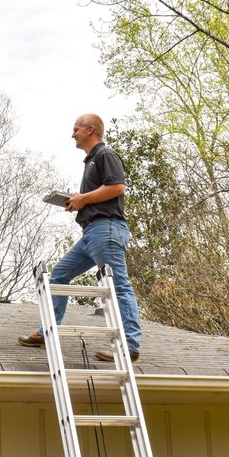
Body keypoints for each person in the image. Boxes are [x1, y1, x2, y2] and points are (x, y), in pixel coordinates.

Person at [19, 113, 143, 361]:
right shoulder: (90, 162)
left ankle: (129, 346)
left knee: (119, 285)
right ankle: (47, 332)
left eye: (75, 129)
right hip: (92, 232)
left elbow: (117, 186)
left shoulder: (104, 155)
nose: (72, 134)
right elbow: (103, 193)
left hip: (106, 229)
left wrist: (83, 199)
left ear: (89, 130)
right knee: (60, 275)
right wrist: (79, 200)